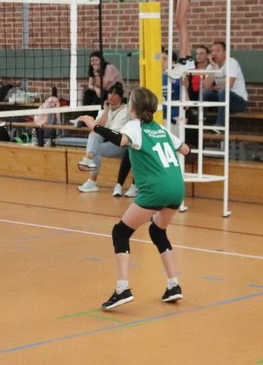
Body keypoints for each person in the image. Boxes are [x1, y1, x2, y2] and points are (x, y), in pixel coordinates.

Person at [78, 87, 191, 311]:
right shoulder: (160, 129)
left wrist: (94, 126)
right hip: (177, 188)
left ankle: (122, 289)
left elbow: (120, 140)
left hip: (156, 189)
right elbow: (186, 150)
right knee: (157, 231)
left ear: (132, 107)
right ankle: (173, 285)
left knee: (120, 232)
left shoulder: (134, 126)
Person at [77, 83, 137, 197]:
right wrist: (106, 110)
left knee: (95, 149)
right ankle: (89, 161)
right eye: (110, 93)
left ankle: (92, 178)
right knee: (94, 134)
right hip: (107, 142)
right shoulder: (105, 109)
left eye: (114, 94)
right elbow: (96, 127)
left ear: (120, 97)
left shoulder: (126, 110)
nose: (111, 96)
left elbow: (114, 134)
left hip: (121, 144)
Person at [201, 41, 248, 128]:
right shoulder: (211, 66)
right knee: (204, 93)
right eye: (213, 51)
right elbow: (206, 86)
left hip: (238, 101)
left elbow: (229, 85)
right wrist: (214, 68)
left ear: (225, 53)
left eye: (218, 50)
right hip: (221, 99)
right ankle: (201, 123)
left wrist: (213, 88)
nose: (214, 53)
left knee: (223, 91)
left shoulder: (231, 62)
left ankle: (219, 125)